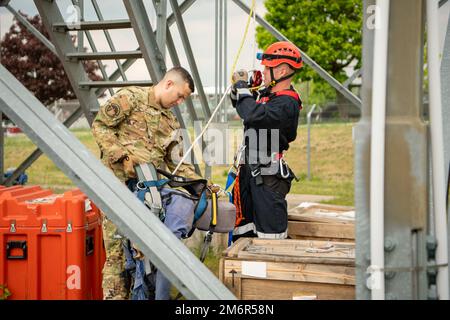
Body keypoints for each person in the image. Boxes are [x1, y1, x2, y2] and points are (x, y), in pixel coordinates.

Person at [92, 66, 202, 300]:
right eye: (180, 95)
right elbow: (100, 126)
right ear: (169, 84)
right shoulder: (130, 98)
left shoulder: (171, 123)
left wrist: (200, 185)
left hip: (148, 197)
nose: (180, 102)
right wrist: (122, 156)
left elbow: (178, 163)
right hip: (117, 190)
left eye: (185, 99)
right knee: (117, 255)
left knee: (143, 256)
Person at [230, 41, 303, 240]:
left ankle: (271, 268)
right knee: (244, 229)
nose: (263, 72)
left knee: (270, 235)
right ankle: (242, 267)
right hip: (251, 172)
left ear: (281, 71)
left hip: (268, 177)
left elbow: (252, 114)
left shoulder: (287, 102)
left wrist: (244, 90)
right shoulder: (269, 96)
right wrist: (240, 89)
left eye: (266, 68)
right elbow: (243, 106)